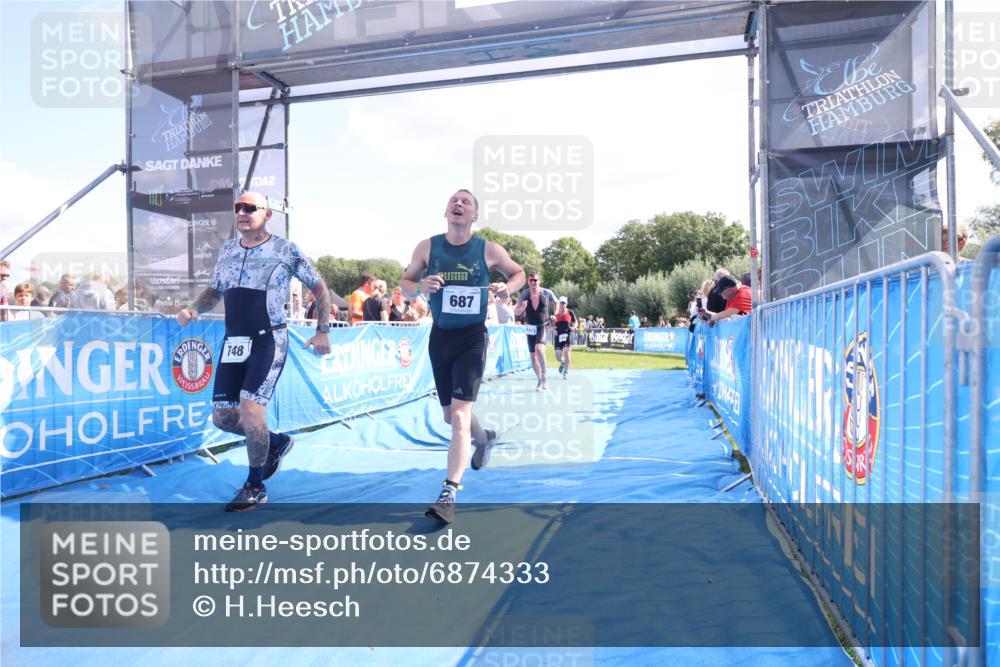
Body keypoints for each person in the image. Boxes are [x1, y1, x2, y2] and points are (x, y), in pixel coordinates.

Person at [175, 191, 332, 512]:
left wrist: (323, 330)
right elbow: (216, 289)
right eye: (238, 208)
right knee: (222, 418)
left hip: (268, 339)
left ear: (268, 214)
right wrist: (194, 309)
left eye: (250, 208)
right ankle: (276, 442)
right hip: (235, 342)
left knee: (250, 410)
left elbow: (319, 288)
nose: (242, 212)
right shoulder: (229, 250)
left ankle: (255, 486)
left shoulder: (285, 250)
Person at [400, 188, 525, 524]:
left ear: (474, 216)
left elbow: (518, 273)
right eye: (453, 201)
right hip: (440, 338)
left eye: (466, 202)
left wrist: (506, 289)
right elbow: (405, 284)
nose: (458, 204)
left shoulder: (488, 249)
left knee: (458, 418)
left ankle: (449, 492)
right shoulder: (428, 247)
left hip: (472, 338)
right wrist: (420, 286)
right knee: (450, 417)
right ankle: (485, 440)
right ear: (446, 212)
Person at [514, 271, 557, 391]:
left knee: (539, 349)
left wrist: (555, 314)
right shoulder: (524, 295)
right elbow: (516, 312)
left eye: (535, 280)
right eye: (531, 280)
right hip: (530, 327)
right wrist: (521, 309)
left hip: (542, 325)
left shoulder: (546, 293)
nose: (533, 282)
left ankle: (544, 376)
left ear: (539, 281)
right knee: (533, 356)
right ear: (528, 282)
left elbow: (556, 302)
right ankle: (539, 379)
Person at [553, 296, 577, 379]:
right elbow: (549, 323)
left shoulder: (570, 312)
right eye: (561, 303)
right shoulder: (555, 313)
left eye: (564, 303)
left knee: (567, 352)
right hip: (558, 335)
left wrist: (574, 327)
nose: (562, 304)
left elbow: (575, 321)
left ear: (566, 304)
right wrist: (553, 329)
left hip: (567, 334)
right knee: (557, 355)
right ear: (559, 303)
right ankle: (562, 362)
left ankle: (566, 372)